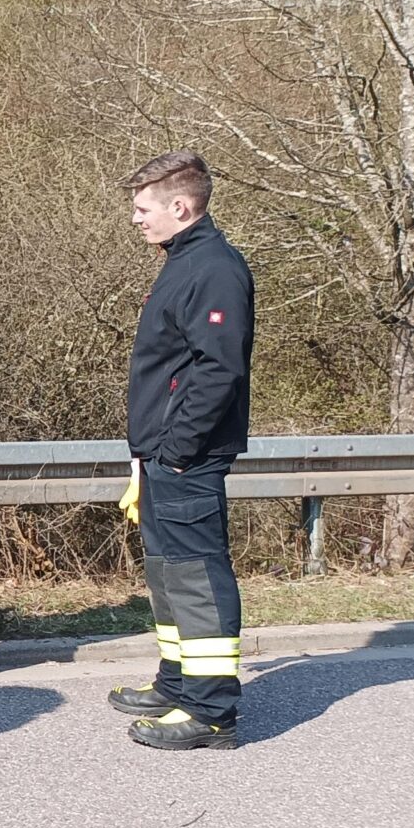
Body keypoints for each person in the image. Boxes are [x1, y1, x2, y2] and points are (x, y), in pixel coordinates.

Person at [109, 151, 253, 750]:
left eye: (143, 208)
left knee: (195, 576)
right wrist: (149, 452)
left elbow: (219, 370)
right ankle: (178, 684)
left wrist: (175, 450)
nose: (136, 219)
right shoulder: (184, 261)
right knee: (169, 575)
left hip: (186, 457)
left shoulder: (214, 267)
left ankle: (211, 711)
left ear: (181, 206)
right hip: (163, 455)